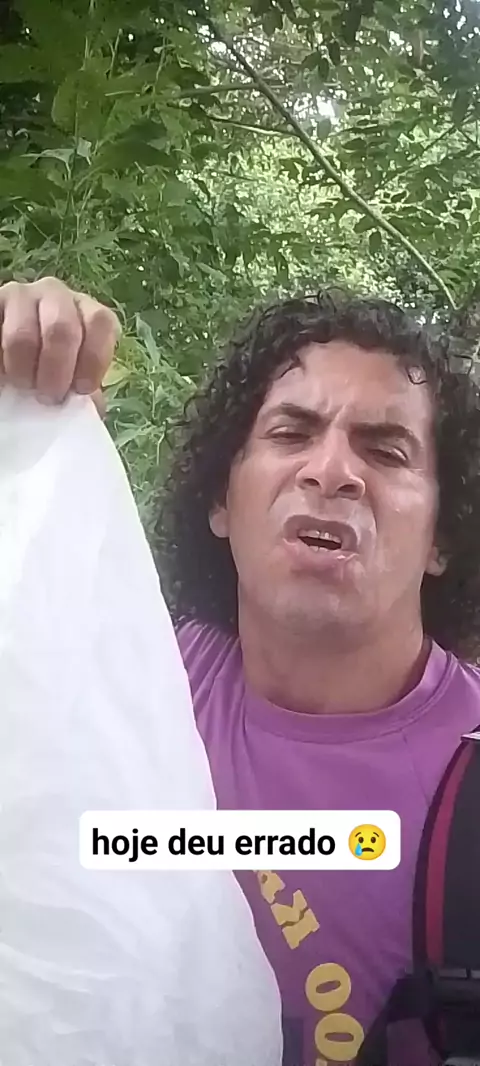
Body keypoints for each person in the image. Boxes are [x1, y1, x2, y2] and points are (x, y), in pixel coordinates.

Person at [2, 276, 480, 1066]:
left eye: (385, 449)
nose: (332, 471)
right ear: (221, 501)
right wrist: (29, 408)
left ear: (441, 538)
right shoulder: (121, 693)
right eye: (292, 432)